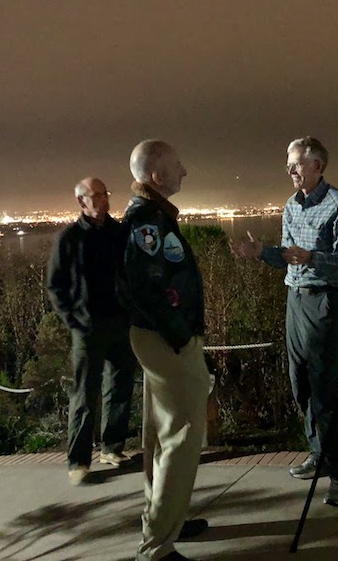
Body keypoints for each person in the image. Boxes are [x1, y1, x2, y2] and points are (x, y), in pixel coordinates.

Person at [230, 136, 338, 506]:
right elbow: (288, 256)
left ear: (318, 165)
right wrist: (260, 253)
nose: (290, 170)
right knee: (299, 383)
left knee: (324, 390)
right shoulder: (291, 205)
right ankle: (318, 454)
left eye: (297, 164)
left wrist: (313, 257)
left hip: (324, 304)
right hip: (295, 301)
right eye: (288, 164)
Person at [123, 140, 210, 561]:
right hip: (167, 342)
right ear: (156, 176)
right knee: (183, 434)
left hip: (158, 340)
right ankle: (158, 545)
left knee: (161, 435)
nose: (185, 171)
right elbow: (149, 290)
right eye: (178, 165)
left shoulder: (151, 217)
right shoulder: (148, 223)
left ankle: (164, 520)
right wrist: (182, 336)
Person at [46, 177, 137, 486]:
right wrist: (72, 319)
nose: (101, 200)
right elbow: (55, 285)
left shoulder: (119, 233)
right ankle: (78, 459)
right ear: (81, 202)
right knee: (85, 393)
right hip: (87, 328)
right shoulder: (68, 239)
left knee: (121, 386)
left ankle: (112, 447)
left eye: (104, 194)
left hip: (120, 323)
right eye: (94, 196)